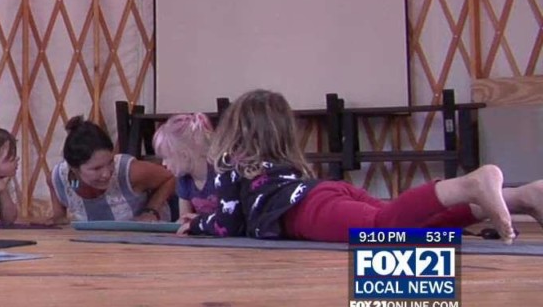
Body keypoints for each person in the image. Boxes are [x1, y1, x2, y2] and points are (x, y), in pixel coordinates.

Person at [170, 89, 543, 244]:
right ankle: (522, 197)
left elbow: (229, 223)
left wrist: (198, 224)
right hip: (325, 192)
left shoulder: (232, 164)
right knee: (413, 227)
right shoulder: (276, 164)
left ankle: (468, 184)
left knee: (382, 229)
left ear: (235, 129)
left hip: (307, 210)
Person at [47, 116, 175, 224]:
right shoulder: (58, 179)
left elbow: (170, 177)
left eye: (110, 162)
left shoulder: (128, 171)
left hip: (148, 239)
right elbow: (59, 219)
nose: (107, 174)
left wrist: (151, 211)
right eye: (96, 168)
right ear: (74, 169)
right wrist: (56, 219)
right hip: (95, 242)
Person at [152, 112, 218, 223]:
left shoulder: (221, 176)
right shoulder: (184, 180)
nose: (163, 163)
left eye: (166, 157)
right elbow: (184, 218)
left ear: (184, 156)